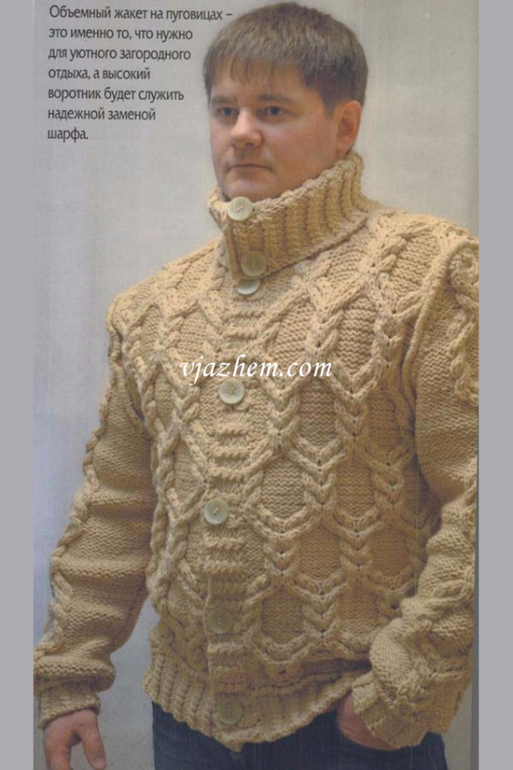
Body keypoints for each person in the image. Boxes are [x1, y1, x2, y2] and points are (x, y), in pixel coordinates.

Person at [35, 3, 478, 769]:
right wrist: (69, 676)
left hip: (353, 726)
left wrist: (401, 689)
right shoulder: (153, 308)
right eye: (225, 111)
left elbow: (482, 494)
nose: (240, 132)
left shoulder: (429, 273)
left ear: (343, 125)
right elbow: (117, 505)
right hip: (187, 726)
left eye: (271, 110)